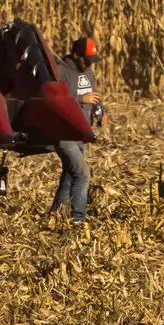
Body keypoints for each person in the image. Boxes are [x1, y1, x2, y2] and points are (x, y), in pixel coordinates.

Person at [50, 35, 106, 222]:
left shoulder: (88, 72)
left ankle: (56, 215)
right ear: (76, 55)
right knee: (83, 176)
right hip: (65, 133)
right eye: (87, 59)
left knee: (69, 176)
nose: (90, 64)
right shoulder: (60, 72)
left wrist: (101, 112)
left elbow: (94, 96)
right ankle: (78, 218)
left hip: (82, 134)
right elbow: (54, 101)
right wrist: (82, 99)